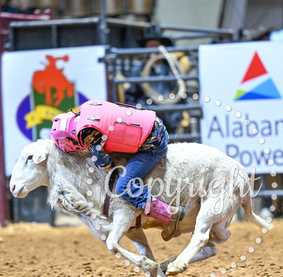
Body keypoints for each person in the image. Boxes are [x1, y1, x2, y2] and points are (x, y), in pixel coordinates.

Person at [50, 99, 185, 231]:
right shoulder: (87, 107)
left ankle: (169, 215)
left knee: (124, 186)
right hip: (155, 123)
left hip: (154, 144)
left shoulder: (87, 134)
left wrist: (95, 154)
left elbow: (105, 164)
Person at [124, 28, 188, 134]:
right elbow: (131, 96)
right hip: (148, 117)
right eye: (150, 46)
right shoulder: (138, 70)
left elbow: (181, 93)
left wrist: (178, 115)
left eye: (155, 45)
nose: (152, 49)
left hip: (170, 115)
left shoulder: (172, 69)